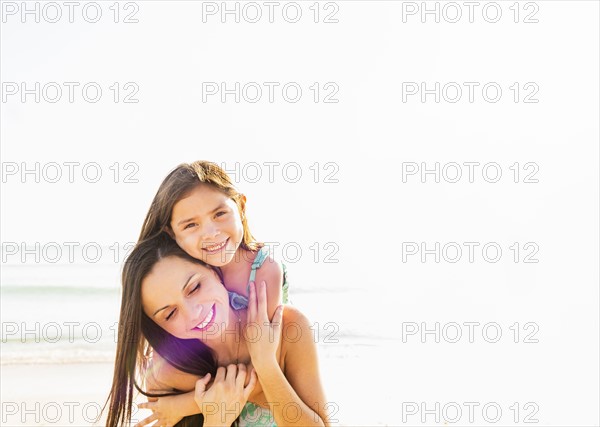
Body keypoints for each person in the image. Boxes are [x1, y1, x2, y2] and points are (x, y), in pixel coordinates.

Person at [104, 234, 329, 426]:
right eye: (170, 314)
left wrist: (266, 365)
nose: (194, 313)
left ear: (212, 269)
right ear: (159, 327)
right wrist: (215, 420)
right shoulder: (168, 373)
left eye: (194, 287)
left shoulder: (288, 328)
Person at [134, 160, 292, 423]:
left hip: (266, 401)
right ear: (171, 235)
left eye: (219, 214)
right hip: (222, 401)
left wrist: (183, 405)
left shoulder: (264, 270)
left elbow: (262, 369)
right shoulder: (188, 272)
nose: (211, 233)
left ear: (240, 206)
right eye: (190, 225)